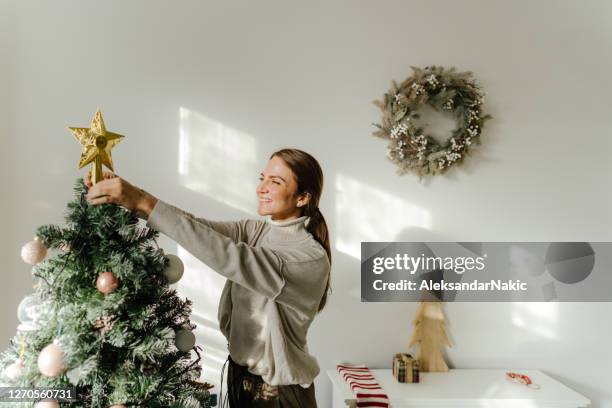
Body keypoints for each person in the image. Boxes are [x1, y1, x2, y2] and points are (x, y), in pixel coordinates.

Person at [85, 148, 332, 408]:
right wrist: (130, 199)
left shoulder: (308, 258)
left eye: (276, 181)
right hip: (241, 378)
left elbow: (230, 257)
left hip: (279, 395)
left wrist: (141, 200)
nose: (262, 187)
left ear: (303, 197)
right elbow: (196, 227)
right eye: (263, 177)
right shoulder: (256, 230)